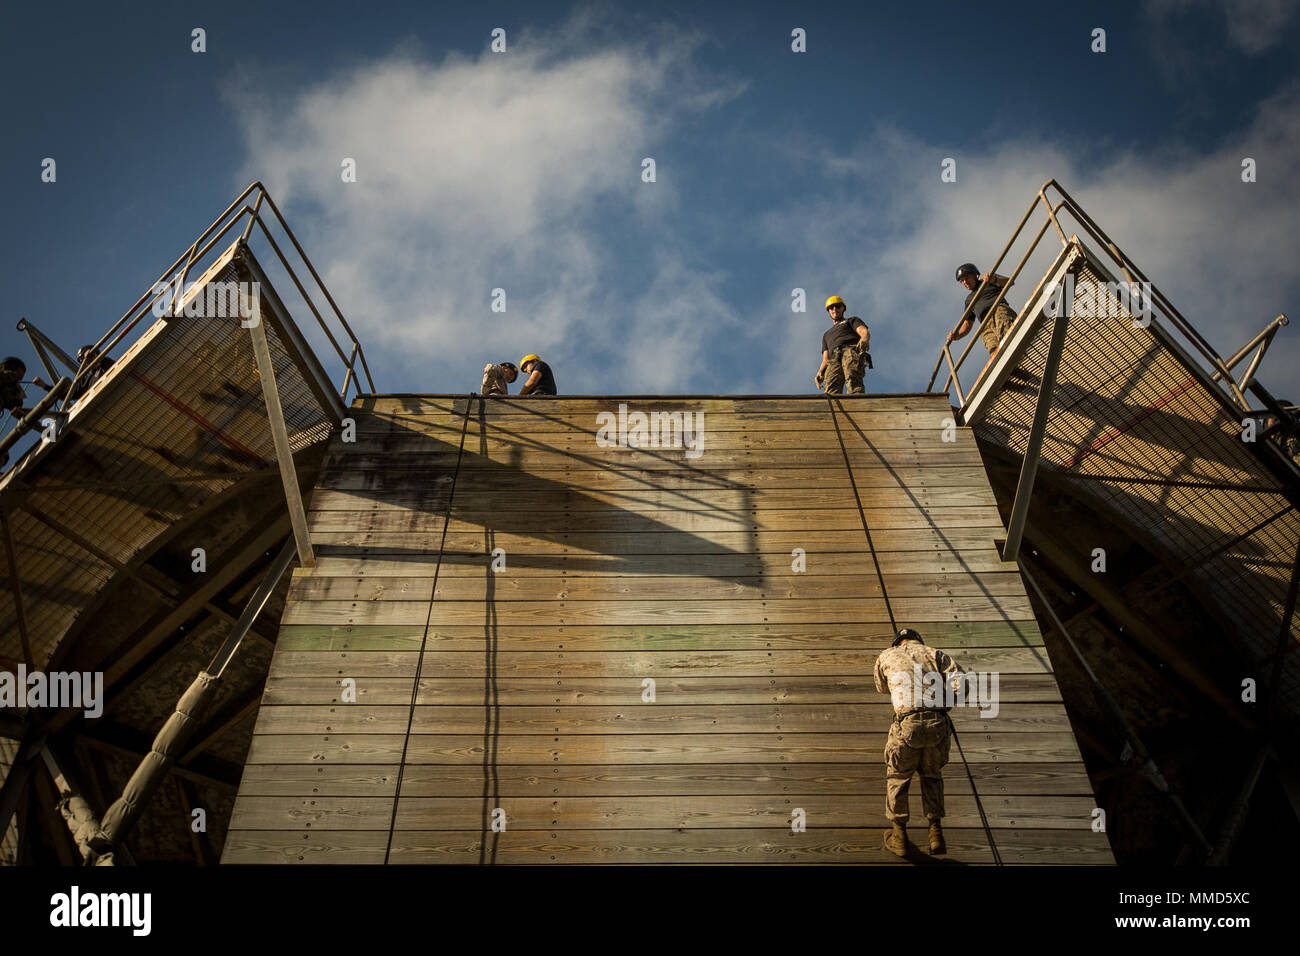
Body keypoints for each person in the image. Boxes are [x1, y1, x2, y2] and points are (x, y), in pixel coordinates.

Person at [873, 627, 966, 857]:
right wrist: (944, 705)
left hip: (907, 723)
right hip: (937, 724)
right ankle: (935, 834)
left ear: (898, 643)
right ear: (918, 641)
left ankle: (899, 836)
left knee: (898, 777)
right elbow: (963, 683)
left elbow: (882, 687)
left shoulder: (886, 655)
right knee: (932, 774)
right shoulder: (936, 654)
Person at [948, 263, 1017, 354]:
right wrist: (957, 335)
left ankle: (1018, 355)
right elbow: (967, 324)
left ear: (975, 275)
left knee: (1008, 337)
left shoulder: (988, 280)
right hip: (985, 325)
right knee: (994, 351)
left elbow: (1010, 282)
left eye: (967, 278)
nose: (965, 282)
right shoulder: (969, 300)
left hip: (998, 311)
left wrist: (994, 279)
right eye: (962, 281)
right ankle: (1011, 367)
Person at [815, 295, 870, 394]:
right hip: (833, 359)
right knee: (830, 387)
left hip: (850, 351)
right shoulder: (826, 335)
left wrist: (864, 339)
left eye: (838, 306)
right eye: (831, 307)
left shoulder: (851, 321)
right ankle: (832, 408)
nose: (834, 309)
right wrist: (820, 372)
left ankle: (857, 402)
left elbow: (862, 330)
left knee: (852, 376)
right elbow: (825, 359)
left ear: (843, 308)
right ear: (828, 311)